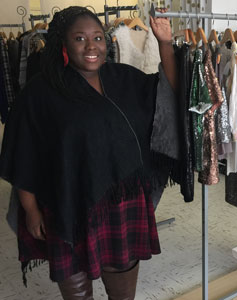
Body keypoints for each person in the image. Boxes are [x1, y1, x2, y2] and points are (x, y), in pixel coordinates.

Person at [0, 6, 179, 300]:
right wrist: (30, 209)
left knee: (122, 291)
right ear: (64, 44)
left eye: (97, 37)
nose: (92, 46)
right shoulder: (40, 92)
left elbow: (169, 91)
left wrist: (164, 42)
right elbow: (23, 152)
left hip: (121, 202)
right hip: (67, 204)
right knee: (77, 290)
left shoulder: (124, 78)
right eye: (80, 38)